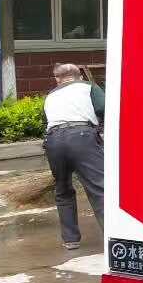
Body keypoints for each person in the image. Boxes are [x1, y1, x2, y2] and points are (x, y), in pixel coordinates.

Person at [43, 63, 106, 249]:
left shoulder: (51, 95)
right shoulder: (88, 87)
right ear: (80, 76)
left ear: (57, 79)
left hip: (53, 141)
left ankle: (70, 240)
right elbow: (104, 108)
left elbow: (46, 119)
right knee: (99, 188)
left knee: (63, 190)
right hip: (81, 137)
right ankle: (112, 235)